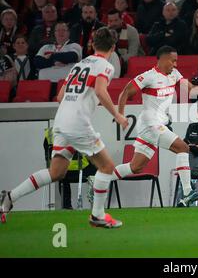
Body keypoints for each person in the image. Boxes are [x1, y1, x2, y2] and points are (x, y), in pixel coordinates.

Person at [0, 27, 129, 228]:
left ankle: (10, 196)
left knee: (56, 172)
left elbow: (60, 97)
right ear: (113, 47)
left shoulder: (80, 65)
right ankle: (97, 215)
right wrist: (118, 115)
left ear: (92, 45)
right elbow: (102, 91)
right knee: (107, 167)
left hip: (61, 121)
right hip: (78, 124)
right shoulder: (105, 65)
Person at [94, 45, 198, 207]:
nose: (176, 64)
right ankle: (187, 193)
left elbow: (192, 90)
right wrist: (120, 115)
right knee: (183, 147)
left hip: (153, 127)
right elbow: (125, 93)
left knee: (136, 167)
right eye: (173, 60)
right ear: (163, 59)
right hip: (150, 124)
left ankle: (98, 179)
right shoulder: (148, 77)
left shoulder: (174, 74)